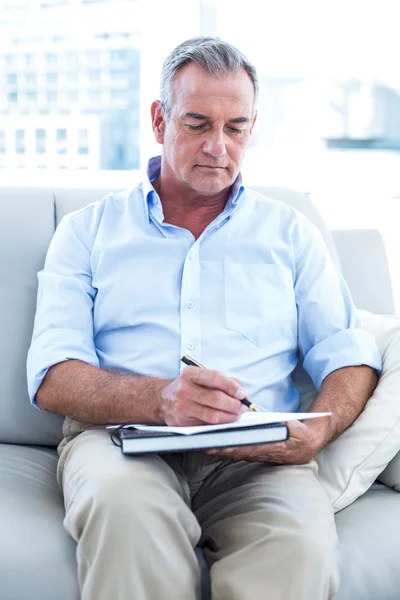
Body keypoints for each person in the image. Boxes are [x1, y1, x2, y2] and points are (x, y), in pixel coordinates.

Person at [27, 37, 381, 600]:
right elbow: (52, 375)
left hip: (256, 461)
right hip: (122, 443)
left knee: (300, 547)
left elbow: (351, 356)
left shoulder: (290, 233)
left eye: (236, 127)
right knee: (125, 511)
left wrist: (317, 432)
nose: (218, 146)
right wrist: (159, 399)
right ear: (159, 120)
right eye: (197, 124)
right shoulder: (87, 232)